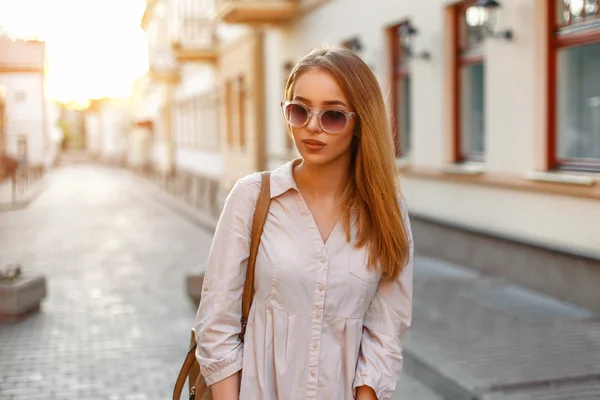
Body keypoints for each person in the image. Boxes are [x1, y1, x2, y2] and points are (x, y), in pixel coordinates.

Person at [194, 46, 414, 400]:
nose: (312, 126)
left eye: (333, 116)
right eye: (299, 110)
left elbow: (386, 332)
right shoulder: (251, 197)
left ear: (361, 124)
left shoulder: (387, 212)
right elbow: (217, 321)